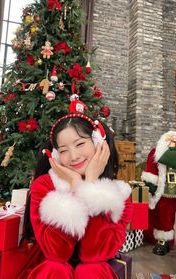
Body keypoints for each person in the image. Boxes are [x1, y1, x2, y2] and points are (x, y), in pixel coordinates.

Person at [23, 112, 133, 278]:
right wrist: (74, 188)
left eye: (80, 143)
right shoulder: (44, 185)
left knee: (92, 270)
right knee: (55, 268)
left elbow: (94, 255)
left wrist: (90, 184)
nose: (74, 156)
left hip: (94, 271)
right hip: (52, 271)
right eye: (64, 150)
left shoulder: (120, 193)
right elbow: (56, 253)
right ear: (55, 156)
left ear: (98, 144)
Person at [141, 131, 176, 256]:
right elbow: (151, 170)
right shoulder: (156, 153)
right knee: (163, 215)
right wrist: (151, 184)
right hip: (164, 192)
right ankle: (164, 240)